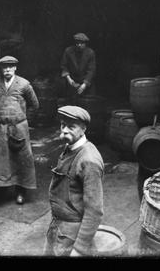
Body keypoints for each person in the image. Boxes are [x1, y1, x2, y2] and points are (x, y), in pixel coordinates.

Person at [44, 106, 104, 257]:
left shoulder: (89, 160)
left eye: (71, 127)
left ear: (83, 129)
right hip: (58, 225)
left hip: (71, 234)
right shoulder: (70, 147)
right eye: (63, 125)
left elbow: (94, 210)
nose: (64, 130)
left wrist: (80, 248)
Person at [0, 55, 39, 205]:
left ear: (15, 68)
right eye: (4, 67)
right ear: (1, 69)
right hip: (0, 128)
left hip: (19, 127)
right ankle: (1, 189)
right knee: (0, 159)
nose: (7, 69)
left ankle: (20, 191)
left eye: (10, 66)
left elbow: (35, 105)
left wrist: (24, 121)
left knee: (21, 158)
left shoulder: (24, 84)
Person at [60, 33, 96, 103]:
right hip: (72, 82)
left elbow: (91, 70)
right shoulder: (68, 51)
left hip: (86, 83)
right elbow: (64, 66)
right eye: (77, 43)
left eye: (81, 43)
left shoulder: (90, 53)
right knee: (72, 104)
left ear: (85, 43)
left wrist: (84, 85)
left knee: (87, 105)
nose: (79, 45)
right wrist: (69, 79)